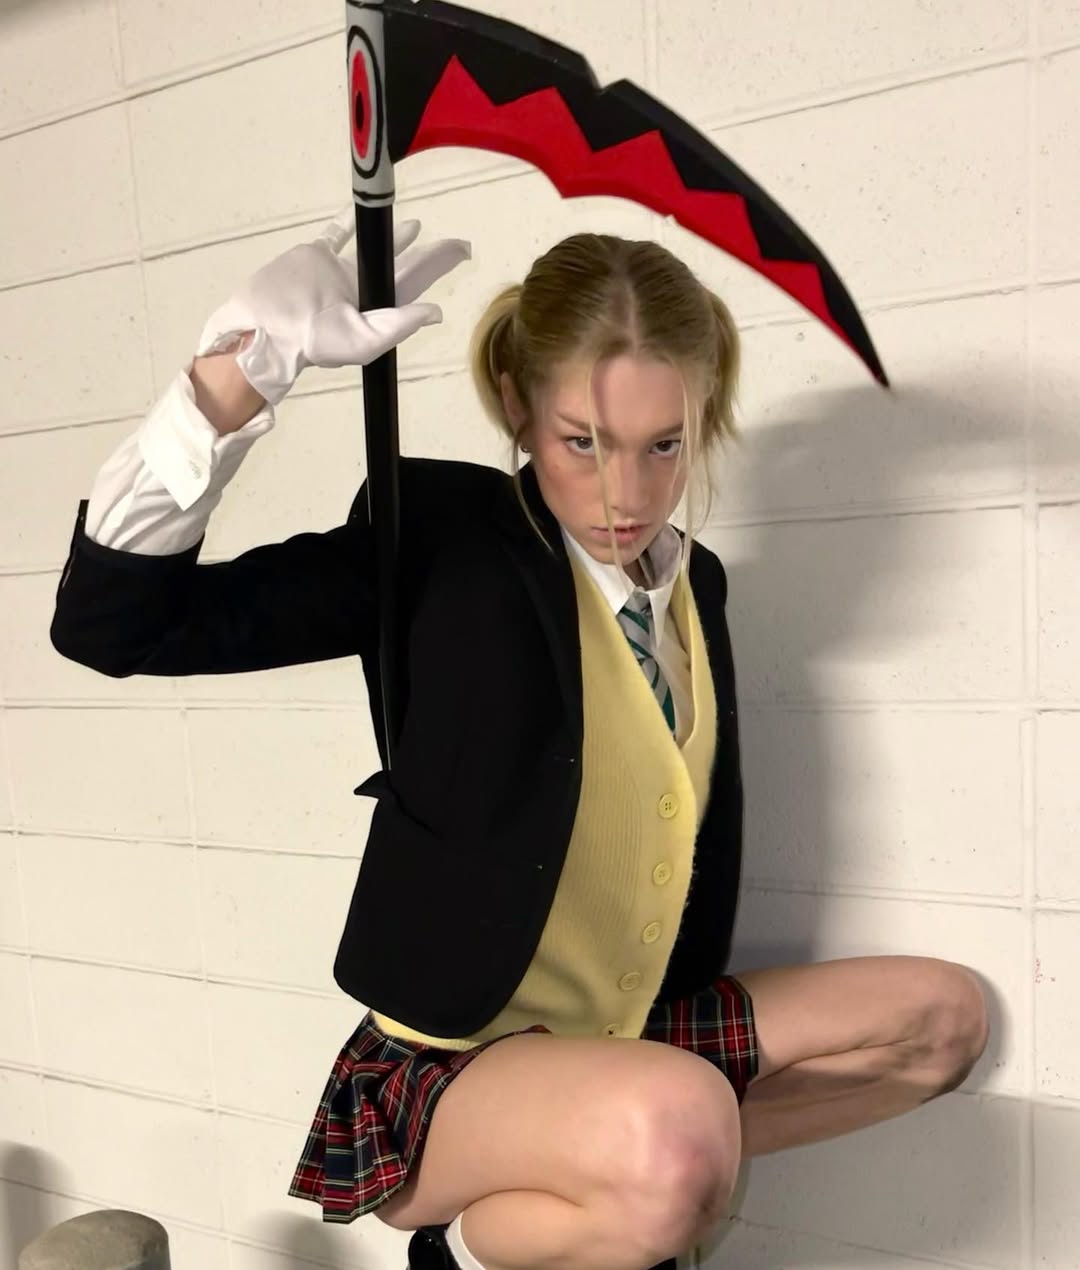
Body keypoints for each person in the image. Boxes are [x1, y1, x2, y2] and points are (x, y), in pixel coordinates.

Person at [50, 208, 989, 1270]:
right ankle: (473, 1242)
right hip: (459, 1057)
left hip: (625, 1034)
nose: (627, 494)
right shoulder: (442, 536)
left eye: (665, 445)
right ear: (517, 406)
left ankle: (619, 1176)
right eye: (583, 442)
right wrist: (237, 375)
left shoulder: (702, 587)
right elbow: (111, 627)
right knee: (680, 1134)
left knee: (939, 1025)